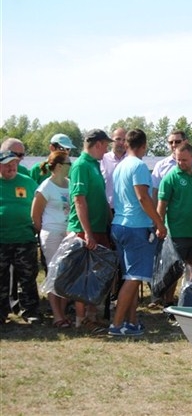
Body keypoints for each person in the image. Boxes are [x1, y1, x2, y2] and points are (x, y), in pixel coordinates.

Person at [109, 129, 167, 336]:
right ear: (144, 145)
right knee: (134, 278)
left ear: (127, 144)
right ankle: (116, 325)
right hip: (136, 227)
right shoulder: (140, 166)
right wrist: (159, 223)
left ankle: (131, 322)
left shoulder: (120, 166)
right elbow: (143, 198)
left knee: (130, 277)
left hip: (119, 224)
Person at [67, 129, 113, 332]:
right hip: (84, 230)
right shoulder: (81, 165)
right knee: (83, 275)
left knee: (97, 275)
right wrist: (87, 233)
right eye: (106, 145)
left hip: (98, 227)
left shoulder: (94, 165)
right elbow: (79, 199)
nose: (107, 150)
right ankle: (81, 318)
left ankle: (92, 316)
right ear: (98, 144)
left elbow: (100, 198)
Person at [157, 143, 192, 306]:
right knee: (174, 270)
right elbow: (162, 204)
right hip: (177, 232)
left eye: (185, 160)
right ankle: (168, 302)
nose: (181, 163)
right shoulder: (170, 177)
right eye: (178, 160)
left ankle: (191, 299)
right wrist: (160, 226)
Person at [31, 151, 72, 327]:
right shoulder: (45, 187)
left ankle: (63, 312)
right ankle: (57, 316)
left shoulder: (70, 184)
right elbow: (35, 216)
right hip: (51, 234)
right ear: (59, 166)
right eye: (69, 163)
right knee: (54, 274)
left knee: (67, 275)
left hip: (68, 233)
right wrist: (45, 233)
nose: (71, 166)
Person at [0, 150, 39, 324]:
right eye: (7, 164)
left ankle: (30, 311)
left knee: (28, 277)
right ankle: (2, 312)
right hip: (2, 240)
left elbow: (39, 206)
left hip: (25, 238)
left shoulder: (28, 182)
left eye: (14, 163)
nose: (12, 167)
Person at [151, 129, 192, 202]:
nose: (174, 145)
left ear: (186, 142)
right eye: (171, 142)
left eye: (177, 141)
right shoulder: (161, 166)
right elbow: (155, 192)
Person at [100, 127, 127, 210]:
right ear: (111, 140)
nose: (121, 142)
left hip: (127, 210)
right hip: (107, 209)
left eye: (124, 140)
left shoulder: (132, 161)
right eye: (118, 139)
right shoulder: (102, 159)